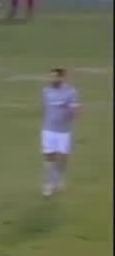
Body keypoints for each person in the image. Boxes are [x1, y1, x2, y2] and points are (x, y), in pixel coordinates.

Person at [40, 67, 81, 196]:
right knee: (49, 156)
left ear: (61, 78)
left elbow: (75, 110)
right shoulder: (46, 91)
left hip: (64, 131)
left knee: (63, 158)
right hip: (48, 129)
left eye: (54, 77)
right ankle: (49, 183)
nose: (50, 79)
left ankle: (60, 176)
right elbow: (45, 108)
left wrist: (70, 113)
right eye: (50, 76)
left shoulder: (71, 92)